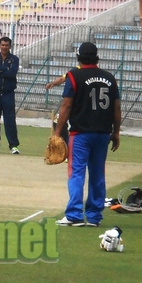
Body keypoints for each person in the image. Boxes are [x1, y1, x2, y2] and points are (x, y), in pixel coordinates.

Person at [55, 42, 121, 227]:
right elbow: (116, 107)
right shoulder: (110, 78)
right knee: (97, 174)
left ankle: (75, 215)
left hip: (80, 133)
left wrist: (58, 132)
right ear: (96, 56)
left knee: (76, 173)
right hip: (102, 134)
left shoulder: (74, 76)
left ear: (79, 57)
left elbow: (66, 105)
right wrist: (116, 132)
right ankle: (93, 216)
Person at [0, 36, 21, 154]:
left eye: (6, 45)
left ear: (10, 46)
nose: (4, 47)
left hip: (8, 93)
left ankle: (13, 145)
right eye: (2, 45)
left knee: (10, 119)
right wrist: (3, 68)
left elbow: (12, 73)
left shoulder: (14, 59)